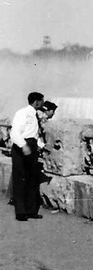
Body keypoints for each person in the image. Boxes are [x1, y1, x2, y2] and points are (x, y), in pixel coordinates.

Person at [10, 92, 45, 221]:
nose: (42, 104)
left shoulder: (36, 115)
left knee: (32, 179)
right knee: (20, 179)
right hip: (22, 147)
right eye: (41, 101)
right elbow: (15, 133)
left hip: (32, 145)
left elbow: (35, 134)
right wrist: (23, 146)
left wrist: (40, 146)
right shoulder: (22, 113)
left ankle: (31, 210)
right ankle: (20, 212)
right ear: (36, 102)